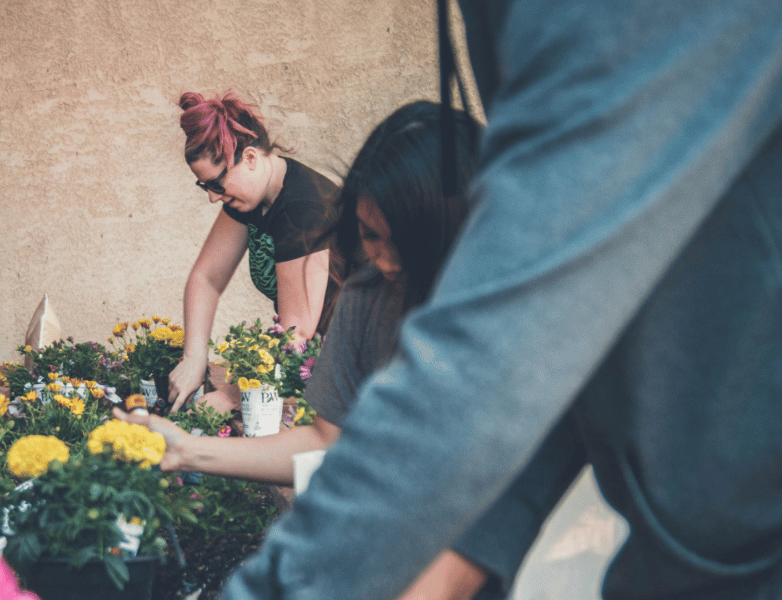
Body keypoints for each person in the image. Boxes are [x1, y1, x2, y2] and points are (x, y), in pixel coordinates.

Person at [220, 0, 782, 599]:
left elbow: (500, 348)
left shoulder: (622, 22)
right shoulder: (367, 296)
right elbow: (557, 353)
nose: (381, 262)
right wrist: (464, 562)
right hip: (683, 556)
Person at [122, 101, 552, 599]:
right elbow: (327, 440)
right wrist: (187, 450)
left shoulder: (516, 313)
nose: (384, 261)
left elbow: (511, 494)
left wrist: (238, 396)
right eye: (369, 237)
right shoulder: (367, 296)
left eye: (404, 242)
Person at [168, 91, 342, 413]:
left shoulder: (303, 208)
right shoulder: (252, 196)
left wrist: (231, 396)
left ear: (249, 158)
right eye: (205, 186)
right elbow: (206, 278)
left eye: (216, 184)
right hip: (316, 363)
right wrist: (194, 358)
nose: (213, 198)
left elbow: (296, 335)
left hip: (359, 363)